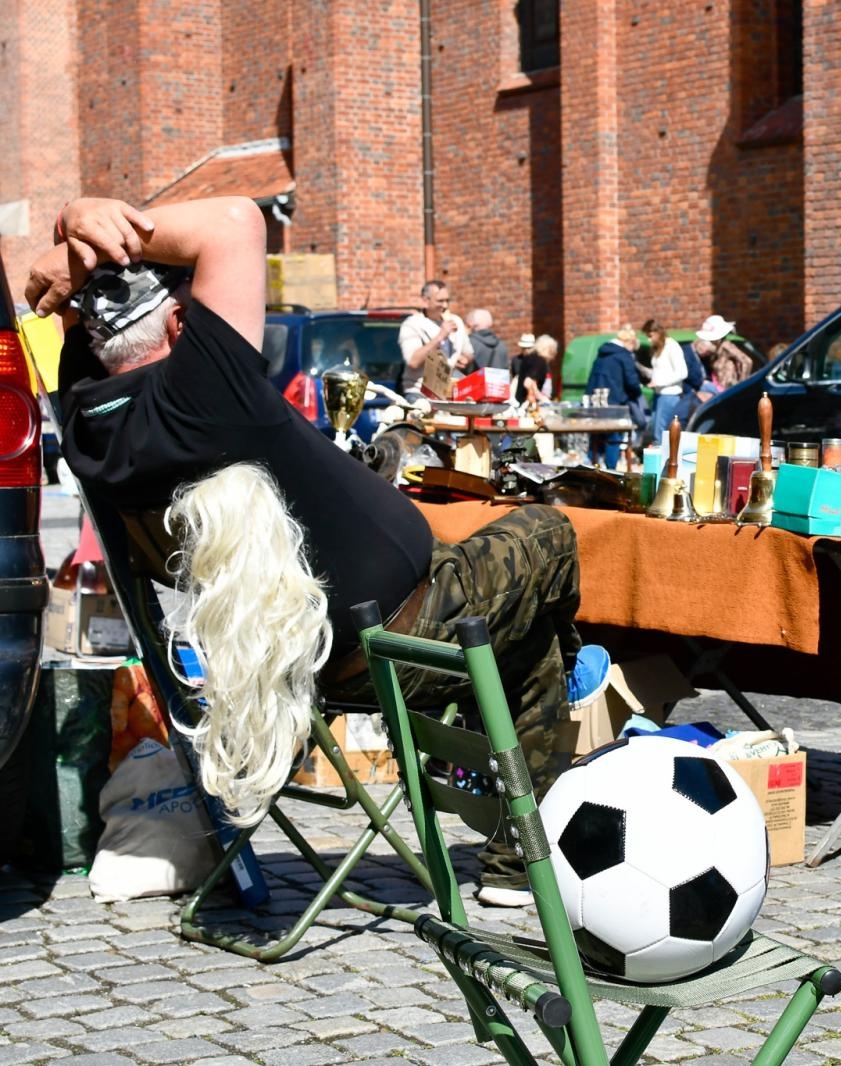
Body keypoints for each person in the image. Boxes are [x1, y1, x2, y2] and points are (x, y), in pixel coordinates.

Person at [28, 195, 588, 907]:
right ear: (178, 324)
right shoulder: (203, 396)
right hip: (401, 637)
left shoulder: (87, 420)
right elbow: (237, 222)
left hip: (314, 653)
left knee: (527, 643)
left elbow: (67, 306)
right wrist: (91, 226)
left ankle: (515, 859)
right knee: (546, 531)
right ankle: (573, 679)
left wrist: (76, 235)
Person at [397, 280, 473, 399]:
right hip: (420, 393)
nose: (445, 306)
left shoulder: (456, 321)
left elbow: (469, 352)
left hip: (451, 392)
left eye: (447, 300)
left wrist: (465, 359)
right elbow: (413, 361)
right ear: (425, 301)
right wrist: (440, 336)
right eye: (440, 301)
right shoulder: (412, 324)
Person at [584, 324, 643, 469]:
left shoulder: (601, 355)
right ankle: (611, 472)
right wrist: (637, 392)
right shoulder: (624, 356)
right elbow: (632, 382)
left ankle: (590, 469)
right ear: (630, 342)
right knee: (614, 438)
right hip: (616, 403)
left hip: (596, 402)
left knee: (595, 439)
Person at [640, 318, 686, 447]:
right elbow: (660, 371)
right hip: (659, 394)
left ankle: (661, 458)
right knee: (655, 430)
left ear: (658, 332)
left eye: (650, 336)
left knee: (660, 434)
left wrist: (660, 382)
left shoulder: (672, 346)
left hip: (669, 395)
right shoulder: (659, 348)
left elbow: (682, 372)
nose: (649, 340)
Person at [693, 313, 752, 389]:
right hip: (719, 388)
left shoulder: (726, 346)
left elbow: (747, 361)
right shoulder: (714, 347)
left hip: (730, 388)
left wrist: (742, 385)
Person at [511, 332, 554, 404]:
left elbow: (546, 379)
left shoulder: (539, 361)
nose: (527, 350)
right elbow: (521, 380)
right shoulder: (516, 360)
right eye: (524, 348)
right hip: (523, 397)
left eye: (529, 348)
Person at [464, 308, 510, 373]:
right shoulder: (501, 344)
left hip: (477, 379)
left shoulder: (469, 343)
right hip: (500, 379)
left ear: (471, 324)